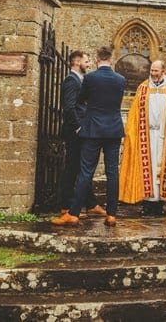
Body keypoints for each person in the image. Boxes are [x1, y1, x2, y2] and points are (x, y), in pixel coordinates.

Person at [52, 46, 125, 227]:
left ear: (97, 59)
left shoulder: (90, 78)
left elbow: (80, 99)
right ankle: (111, 215)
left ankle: (74, 214)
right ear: (111, 59)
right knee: (112, 172)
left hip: (93, 130)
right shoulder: (121, 80)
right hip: (114, 129)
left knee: (86, 171)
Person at [119, 60, 166, 216]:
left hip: (165, 136)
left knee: (161, 168)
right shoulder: (143, 88)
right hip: (146, 135)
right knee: (148, 168)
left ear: (163, 71)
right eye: (151, 70)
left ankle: (159, 204)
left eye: (156, 71)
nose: (153, 73)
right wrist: (132, 133)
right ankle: (147, 204)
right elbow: (134, 113)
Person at [57, 50, 106, 219]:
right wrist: (78, 127)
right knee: (72, 168)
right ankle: (65, 206)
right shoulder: (71, 81)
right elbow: (69, 107)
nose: (89, 64)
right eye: (86, 61)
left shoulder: (79, 80)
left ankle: (90, 204)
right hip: (74, 132)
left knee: (80, 167)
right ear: (77, 62)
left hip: (80, 130)